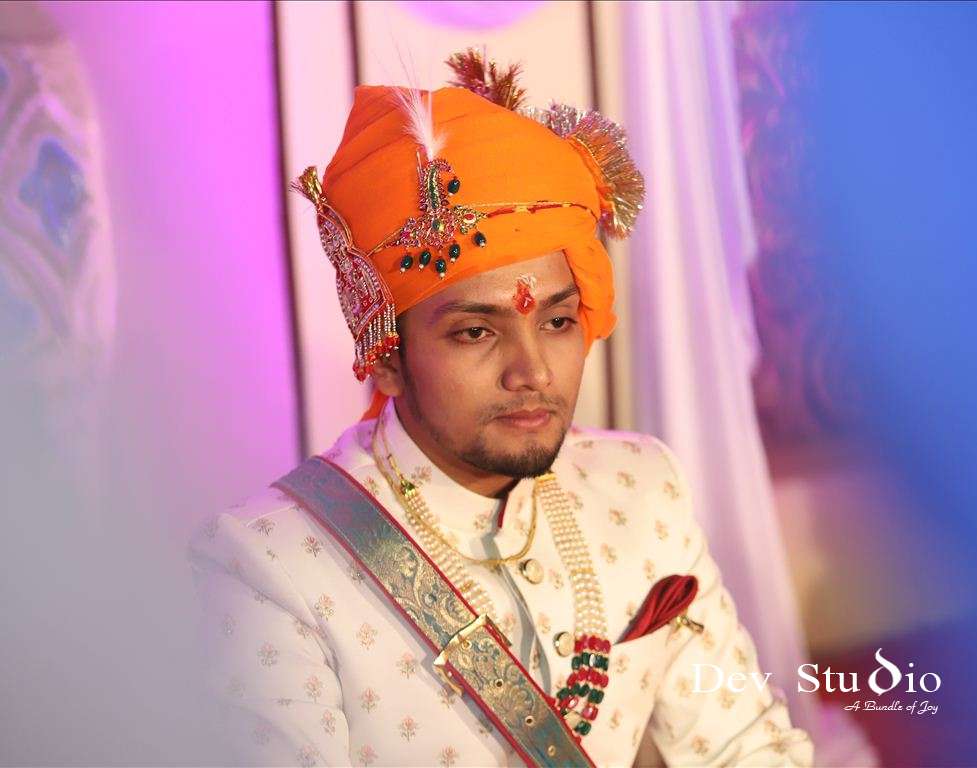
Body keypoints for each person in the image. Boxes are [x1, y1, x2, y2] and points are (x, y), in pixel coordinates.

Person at [186, 50, 813, 767]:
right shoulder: (272, 566)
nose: (533, 372)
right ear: (386, 356)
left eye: (558, 321)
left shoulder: (640, 486)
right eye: (475, 333)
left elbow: (751, 750)